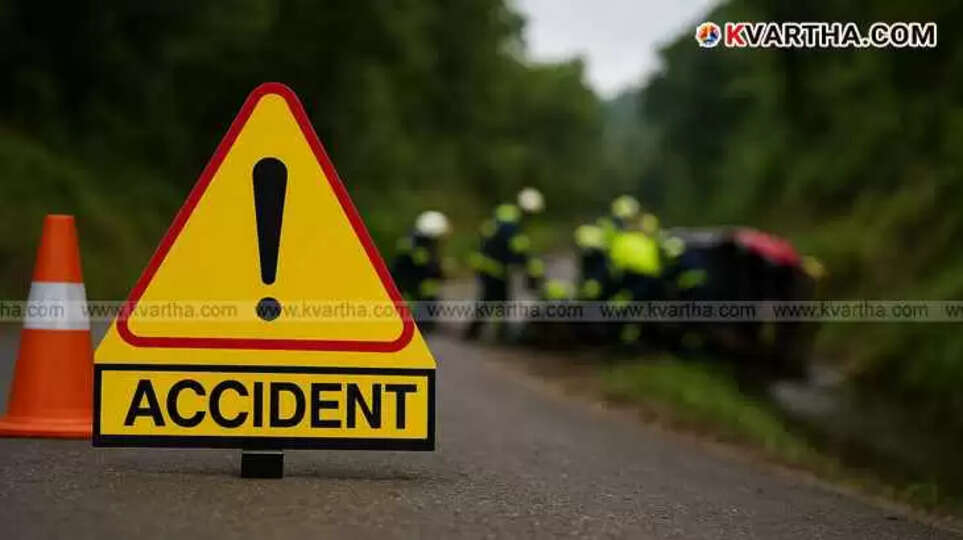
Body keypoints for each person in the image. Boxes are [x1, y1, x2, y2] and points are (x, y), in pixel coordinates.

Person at [465, 187, 545, 340]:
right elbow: (518, 250)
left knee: (491, 299)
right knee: (495, 300)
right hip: (492, 267)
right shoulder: (511, 224)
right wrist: (533, 269)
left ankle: (479, 332)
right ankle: (495, 334)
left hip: (489, 265)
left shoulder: (507, 215)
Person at [391, 210, 450, 332]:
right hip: (412, 293)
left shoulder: (413, 241)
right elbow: (430, 269)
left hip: (417, 292)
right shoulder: (418, 247)